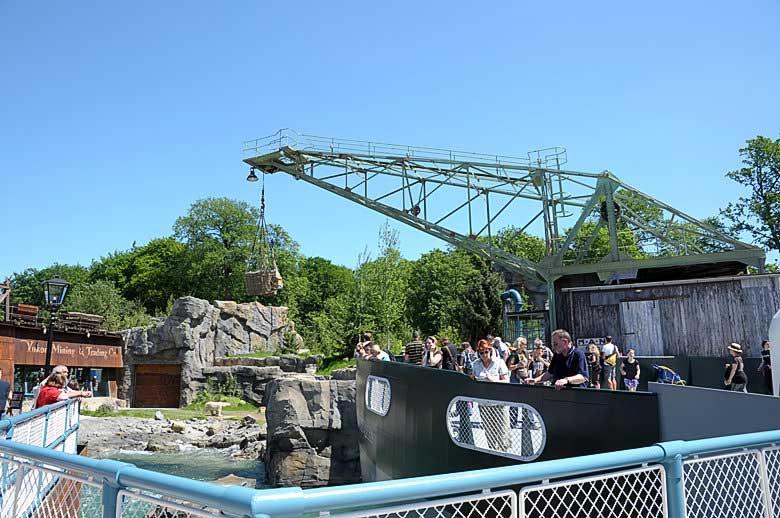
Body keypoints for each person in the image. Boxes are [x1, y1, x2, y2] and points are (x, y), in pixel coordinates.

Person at [472, 340, 509, 451]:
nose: (484, 355)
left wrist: (493, 380)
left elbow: (506, 381)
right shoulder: (476, 364)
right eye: (481, 353)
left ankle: (504, 454)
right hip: (483, 403)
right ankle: (492, 452)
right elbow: (473, 379)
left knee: (503, 432)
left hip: (499, 402)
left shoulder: (499, 362)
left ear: (490, 350)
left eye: (486, 352)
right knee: (489, 432)